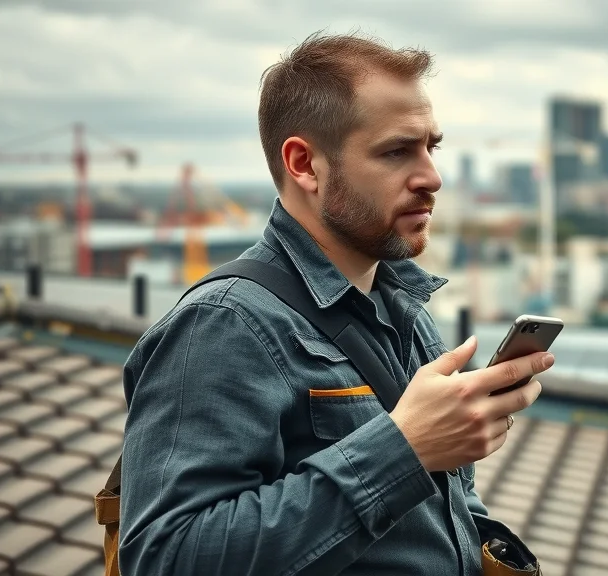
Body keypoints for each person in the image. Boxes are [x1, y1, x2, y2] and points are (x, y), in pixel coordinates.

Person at [117, 31, 553, 575]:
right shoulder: (226, 324)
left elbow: (438, 513)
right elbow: (166, 557)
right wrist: (404, 449)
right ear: (304, 164)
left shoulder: (405, 313)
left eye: (430, 147)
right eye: (397, 151)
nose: (432, 177)